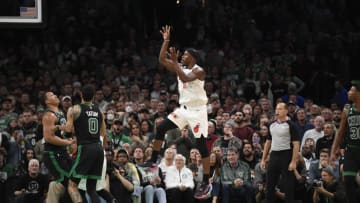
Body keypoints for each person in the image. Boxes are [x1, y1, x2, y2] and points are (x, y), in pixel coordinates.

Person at [151, 25, 211, 198]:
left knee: (201, 146)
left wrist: (176, 62)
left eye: (185, 54)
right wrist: (166, 41)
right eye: (182, 54)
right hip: (184, 110)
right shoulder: (180, 67)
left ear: (192, 58)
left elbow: (185, 78)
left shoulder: (198, 70)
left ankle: (206, 180)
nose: (182, 56)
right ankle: (154, 159)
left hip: (198, 111)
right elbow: (162, 59)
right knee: (161, 127)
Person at [59, 84, 106, 203]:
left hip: (85, 148)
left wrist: (63, 132)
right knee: (92, 189)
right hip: (98, 149)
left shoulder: (75, 109)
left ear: (80, 94)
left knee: (72, 185)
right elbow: (104, 134)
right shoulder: (99, 111)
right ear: (94, 96)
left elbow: (68, 131)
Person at [260, 102, 300, 203]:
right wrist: (263, 159)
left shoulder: (291, 125)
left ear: (286, 111)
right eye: (277, 109)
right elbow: (268, 142)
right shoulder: (271, 124)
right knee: (270, 183)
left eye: (280, 109)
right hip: (274, 155)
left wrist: (294, 161)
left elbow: (296, 145)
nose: (277, 111)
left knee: (288, 184)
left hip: (286, 155)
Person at [41, 91, 75, 203]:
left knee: (74, 179)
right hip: (53, 154)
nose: (55, 95)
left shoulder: (60, 113)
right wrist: (67, 142)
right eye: (51, 95)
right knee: (70, 181)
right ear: (46, 102)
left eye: (54, 94)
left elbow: (63, 131)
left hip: (62, 152)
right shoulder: (48, 115)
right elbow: (49, 138)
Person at [330, 80, 360, 203]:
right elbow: (340, 132)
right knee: (347, 180)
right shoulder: (347, 109)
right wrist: (333, 151)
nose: (348, 92)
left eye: (352, 90)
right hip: (351, 150)